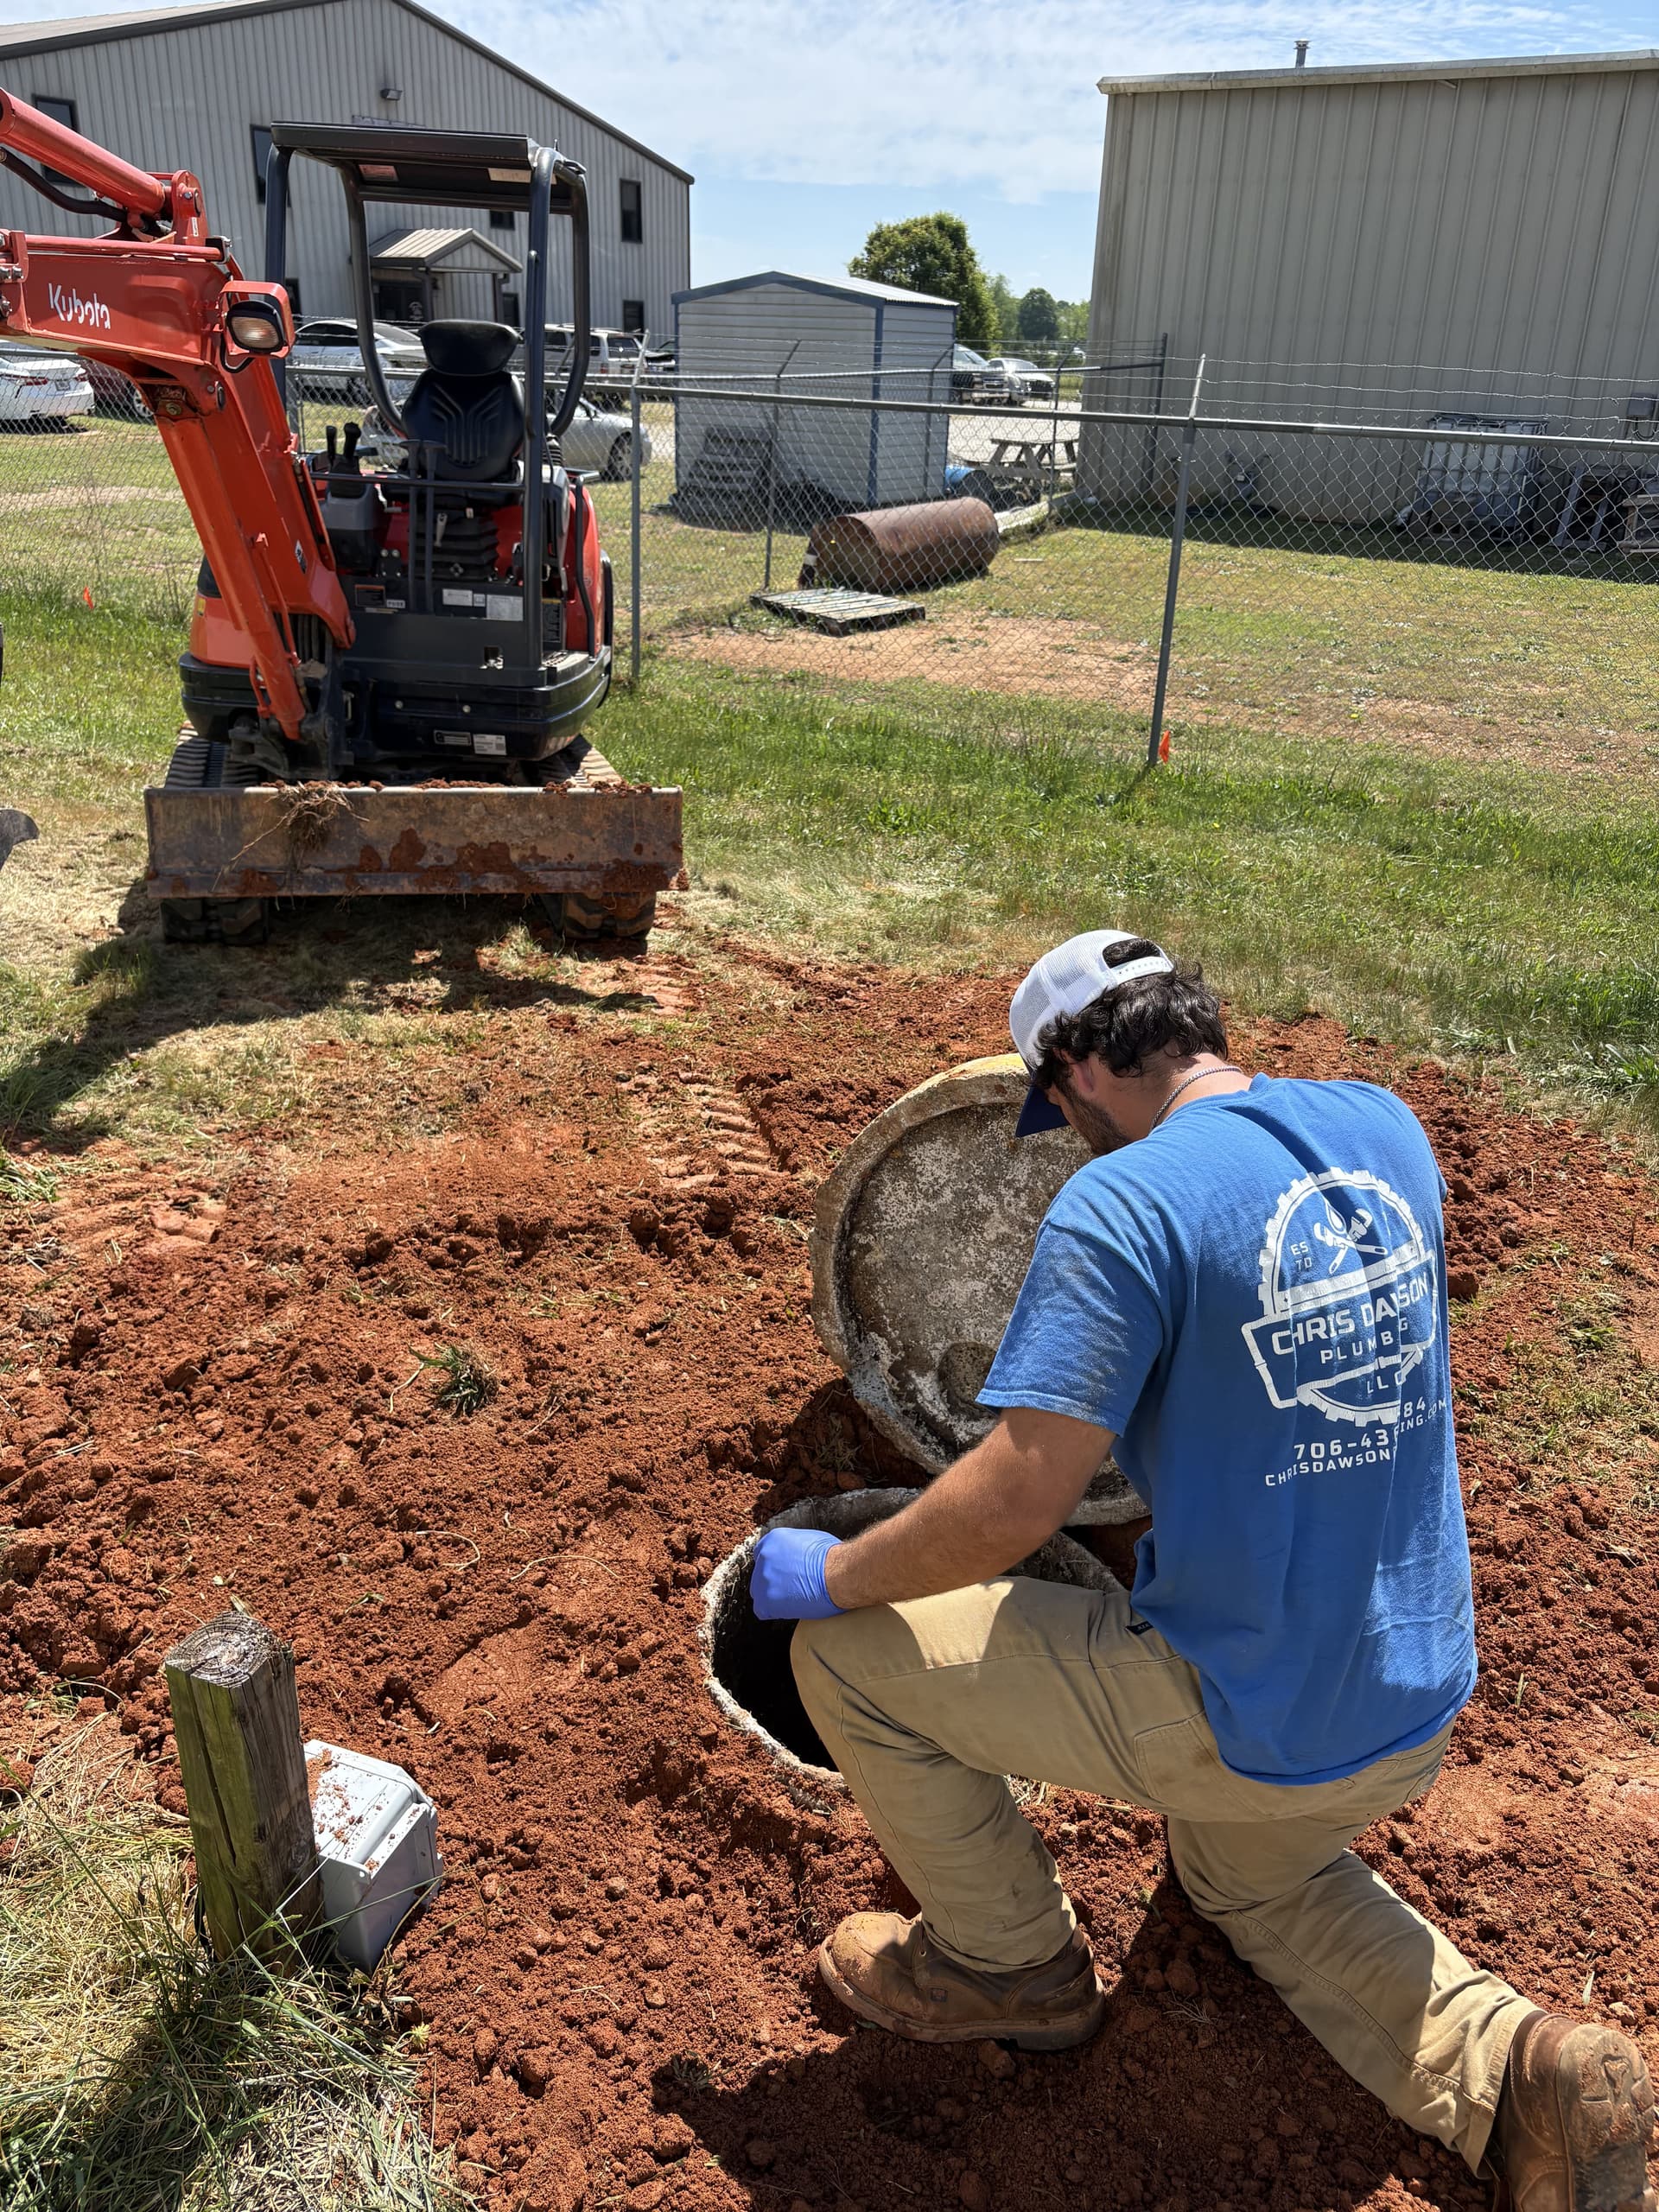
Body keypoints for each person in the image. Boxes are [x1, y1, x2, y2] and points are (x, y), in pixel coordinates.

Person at [751, 931, 1656, 2212]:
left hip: (1249, 1709)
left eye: (1057, 1106)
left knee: (848, 1662)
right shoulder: (1382, 1128)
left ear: (1077, 1068)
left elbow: (1016, 1500)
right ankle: (1518, 2077)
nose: (1068, 1136)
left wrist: (838, 1576)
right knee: (1250, 1876)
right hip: (1412, 1689)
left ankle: (1010, 1967)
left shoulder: (1125, 1205)